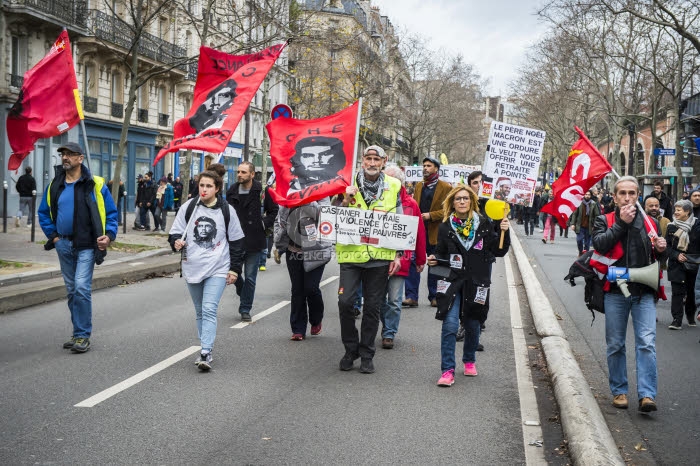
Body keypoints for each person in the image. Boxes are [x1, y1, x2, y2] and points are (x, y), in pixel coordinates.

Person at [591, 176, 667, 412]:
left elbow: (660, 260)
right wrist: (621, 224)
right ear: (614, 197)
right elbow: (600, 245)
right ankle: (620, 391)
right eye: (622, 193)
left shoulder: (649, 222)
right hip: (615, 292)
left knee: (647, 343)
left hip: (644, 291)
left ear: (638, 196)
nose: (627, 197)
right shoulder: (605, 219)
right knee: (615, 344)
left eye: (632, 193)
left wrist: (662, 250)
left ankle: (647, 395)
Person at [38, 142, 118, 353]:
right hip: (63, 243)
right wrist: (53, 237)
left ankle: (83, 335)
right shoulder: (55, 185)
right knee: (72, 290)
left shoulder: (95, 184)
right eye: (63, 154)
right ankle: (77, 333)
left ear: (80, 158)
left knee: (82, 287)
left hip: (87, 244)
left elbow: (111, 213)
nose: (65, 157)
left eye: (70, 154)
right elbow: (44, 212)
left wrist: (109, 236)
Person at [428, 185, 510, 387]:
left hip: (477, 283)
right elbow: (440, 253)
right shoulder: (446, 226)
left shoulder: (484, 225)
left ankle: (469, 359)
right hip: (453, 282)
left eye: (465, 198)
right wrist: (434, 259)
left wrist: (504, 232)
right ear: (452, 203)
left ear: (472, 202)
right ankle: (447, 370)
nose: (462, 202)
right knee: (450, 325)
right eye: (458, 199)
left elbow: (498, 251)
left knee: (473, 324)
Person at [168, 169, 244, 371]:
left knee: (209, 309)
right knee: (200, 311)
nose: (204, 189)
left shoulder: (227, 210)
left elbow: (237, 242)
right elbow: (175, 232)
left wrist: (235, 269)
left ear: (217, 188)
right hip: (193, 266)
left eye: (209, 186)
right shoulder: (189, 207)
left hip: (218, 267)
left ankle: (205, 351)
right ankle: (205, 346)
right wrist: (176, 242)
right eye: (202, 185)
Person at [337, 145, 402, 374]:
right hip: (351, 255)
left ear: (384, 162)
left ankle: (366, 354)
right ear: (362, 160)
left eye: (377, 159)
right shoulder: (346, 182)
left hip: (379, 256)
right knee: (345, 304)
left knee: (373, 308)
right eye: (368, 158)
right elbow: (333, 216)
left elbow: (398, 222)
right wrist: (345, 199)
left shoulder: (394, 185)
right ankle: (350, 349)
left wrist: (397, 254)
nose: (372, 163)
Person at [380, 165, 426, 349]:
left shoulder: (411, 205)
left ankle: (389, 332)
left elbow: (419, 233)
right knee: (378, 300)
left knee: (394, 300)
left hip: (401, 260)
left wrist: (421, 259)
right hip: (378, 258)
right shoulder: (376, 201)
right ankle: (386, 325)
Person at [225, 161, 278, 322]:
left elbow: (274, 210)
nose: (239, 174)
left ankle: (245, 308)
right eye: (239, 172)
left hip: (254, 240)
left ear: (252, 174)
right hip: (235, 240)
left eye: (243, 172)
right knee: (234, 273)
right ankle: (243, 291)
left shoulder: (263, 191)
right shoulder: (232, 190)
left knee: (250, 277)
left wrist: (263, 224)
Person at [274, 197, 333, 340]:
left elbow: (325, 215)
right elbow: (279, 221)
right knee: (297, 290)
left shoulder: (321, 193)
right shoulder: (289, 193)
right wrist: (279, 246)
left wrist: (306, 198)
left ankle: (316, 319)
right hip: (293, 249)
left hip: (316, 250)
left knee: (311, 288)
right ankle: (298, 329)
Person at [403, 156, 451, 308]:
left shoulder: (446, 187)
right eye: (424, 165)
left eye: (429, 166)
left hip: (435, 232)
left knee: (435, 263)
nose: (425, 168)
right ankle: (411, 296)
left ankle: (435, 296)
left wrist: (431, 215)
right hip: (417, 230)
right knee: (412, 262)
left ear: (436, 168)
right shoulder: (418, 186)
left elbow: (449, 210)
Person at [665, 200, 700, 330]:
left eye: (679, 210)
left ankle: (690, 315)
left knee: (691, 292)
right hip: (676, 265)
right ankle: (676, 319)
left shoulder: (697, 225)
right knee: (677, 292)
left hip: (694, 264)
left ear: (687, 211)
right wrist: (676, 255)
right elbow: (667, 246)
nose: (676, 212)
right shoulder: (671, 226)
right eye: (675, 209)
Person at [570, 190, 600, 255]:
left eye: (589, 195)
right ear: (584, 195)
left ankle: (585, 255)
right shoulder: (579, 203)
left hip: (589, 226)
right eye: (586, 194)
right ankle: (580, 252)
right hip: (580, 225)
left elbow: (597, 215)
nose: (587, 196)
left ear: (591, 196)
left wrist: (594, 225)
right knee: (579, 240)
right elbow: (575, 214)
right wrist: (572, 224)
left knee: (587, 243)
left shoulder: (593, 204)